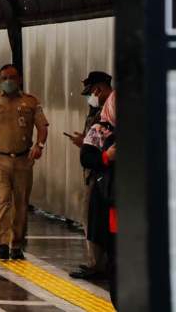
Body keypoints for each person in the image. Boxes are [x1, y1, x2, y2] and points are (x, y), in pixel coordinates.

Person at [0, 64, 49, 261]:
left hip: (22, 160)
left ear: (19, 79)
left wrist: (40, 145)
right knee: (3, 200)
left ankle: (17, 244)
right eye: (4, 77)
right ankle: (2, 243)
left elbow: (43, 127)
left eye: (11, 77)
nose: (8, 81)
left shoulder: (30, 102)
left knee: (20, 203)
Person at [70, 71, 114, 281]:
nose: (91, 97)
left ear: (99, 89)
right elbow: (89, 153)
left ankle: (99, 265)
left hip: (104, 180)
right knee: (94, 219)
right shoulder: (99, 115)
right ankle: (98, 263)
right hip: (98, 176)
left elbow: (90, 154)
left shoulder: (104, 117)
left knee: (95, 219)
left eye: (92, 92)